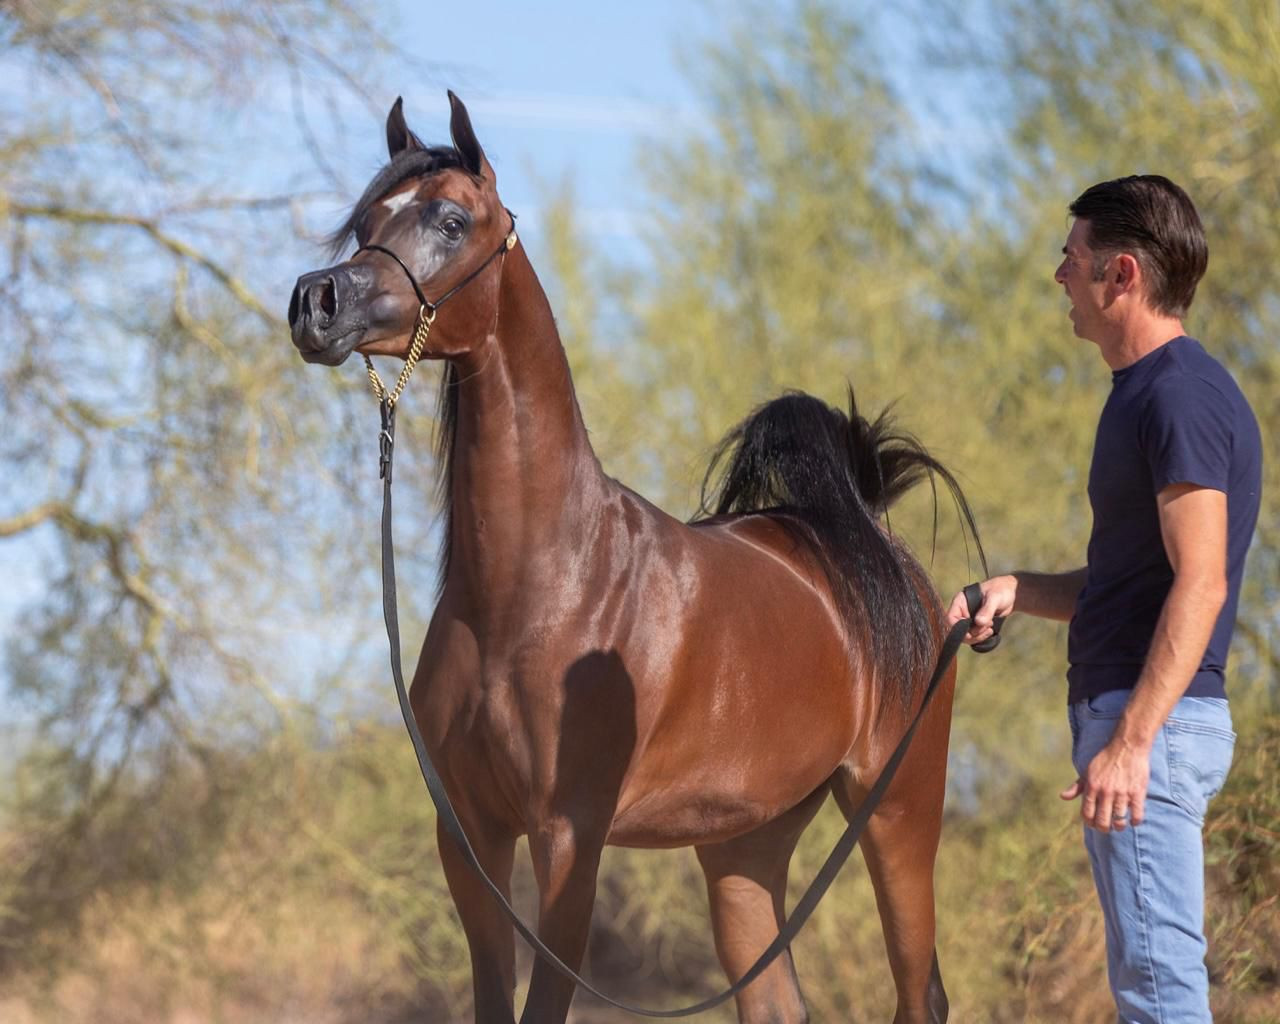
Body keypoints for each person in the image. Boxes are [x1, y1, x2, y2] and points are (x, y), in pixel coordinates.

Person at [948, 175, 1262, 1023]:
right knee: (1149, 995)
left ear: (1121, 273)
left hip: (1149, 733)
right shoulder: (1146, 396)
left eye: (1071, 257)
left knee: (1160, 1000)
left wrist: (1130, 743)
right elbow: (1133, 583)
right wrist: (1017, 590)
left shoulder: (1178, 395)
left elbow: (1202, 580)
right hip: (1142, 725)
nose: (1059, 276)